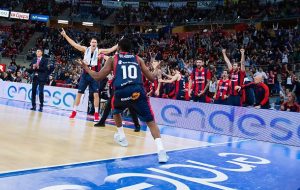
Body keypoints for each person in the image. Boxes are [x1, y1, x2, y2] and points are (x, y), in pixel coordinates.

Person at [76, 38, 169, 163]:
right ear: (131, 49)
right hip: (137, 91)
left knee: (115, 108)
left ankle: (122, 136)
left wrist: (86, 68)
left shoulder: (113, 59)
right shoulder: (138, 59)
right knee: (151, 122)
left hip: (121, 92)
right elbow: (152, 79)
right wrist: (156, 69)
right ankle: (161, 151)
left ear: (118, 48)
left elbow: (98, 77)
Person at [60, 28, 117, 122]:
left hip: (94, 75)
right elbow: (74, 44)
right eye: (92, 42)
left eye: (95, 42)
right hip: (85, 74)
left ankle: (96, 114)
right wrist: (65, 35)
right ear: (90, 43)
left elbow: (111, 50)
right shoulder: (85, 49)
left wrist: (119, 44)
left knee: (96, 95)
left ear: (97, 44)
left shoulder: (99, 51)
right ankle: (74, 112)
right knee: (79, 93)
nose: (94, 43)